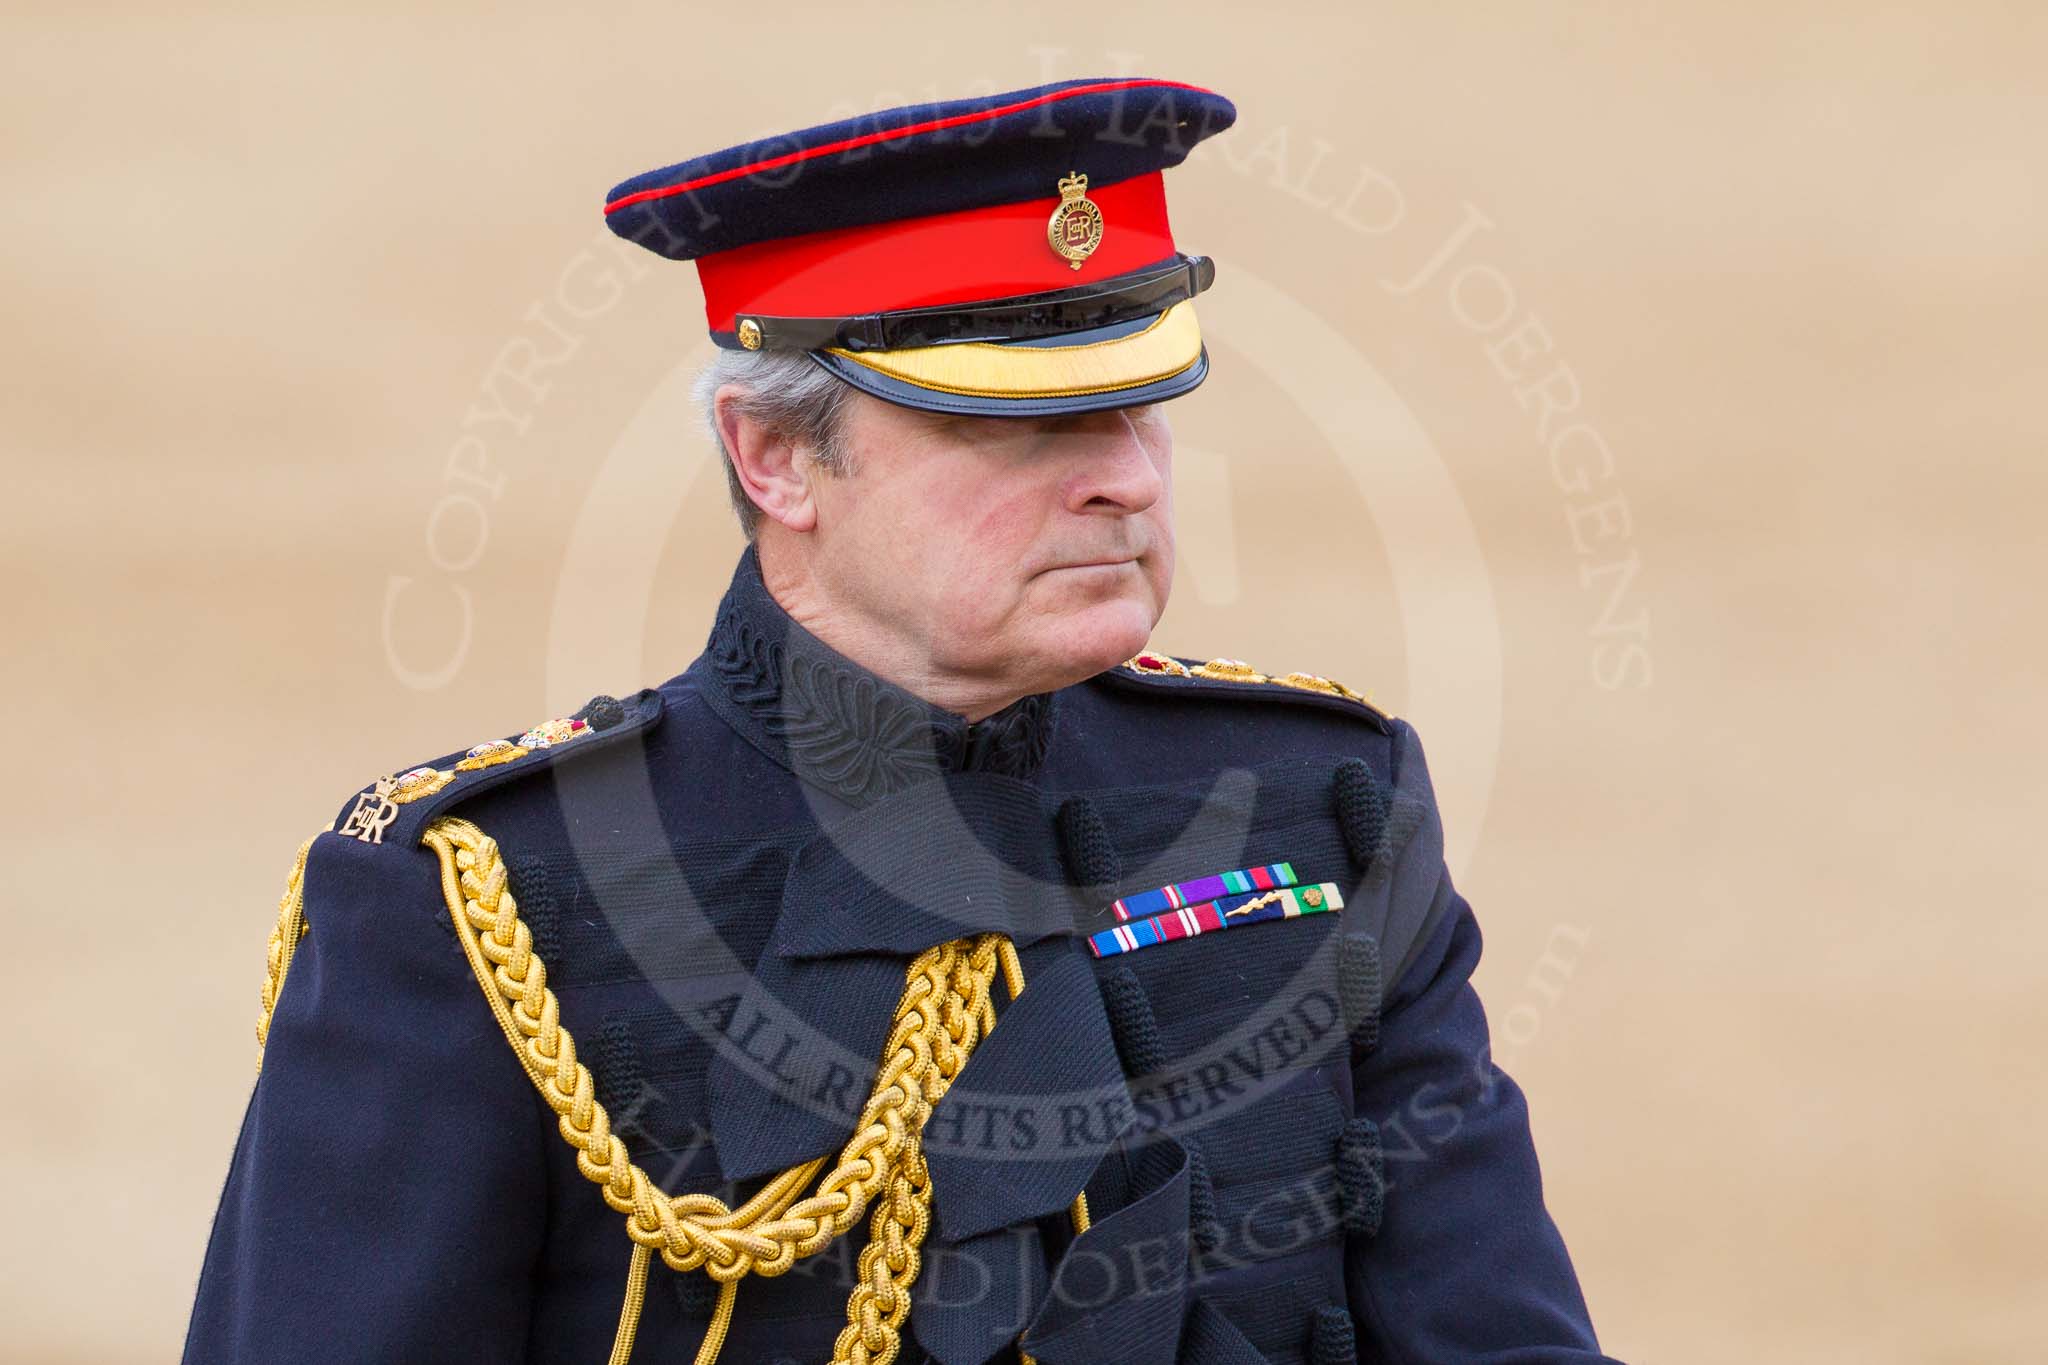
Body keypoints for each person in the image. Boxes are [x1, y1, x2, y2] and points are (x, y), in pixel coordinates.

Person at [184, 77, 1617, 1364]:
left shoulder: (1325, 803)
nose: (1124, 478)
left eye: (1143, 406)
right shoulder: (482, 900)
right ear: (777, 456)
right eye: (1023, 425)